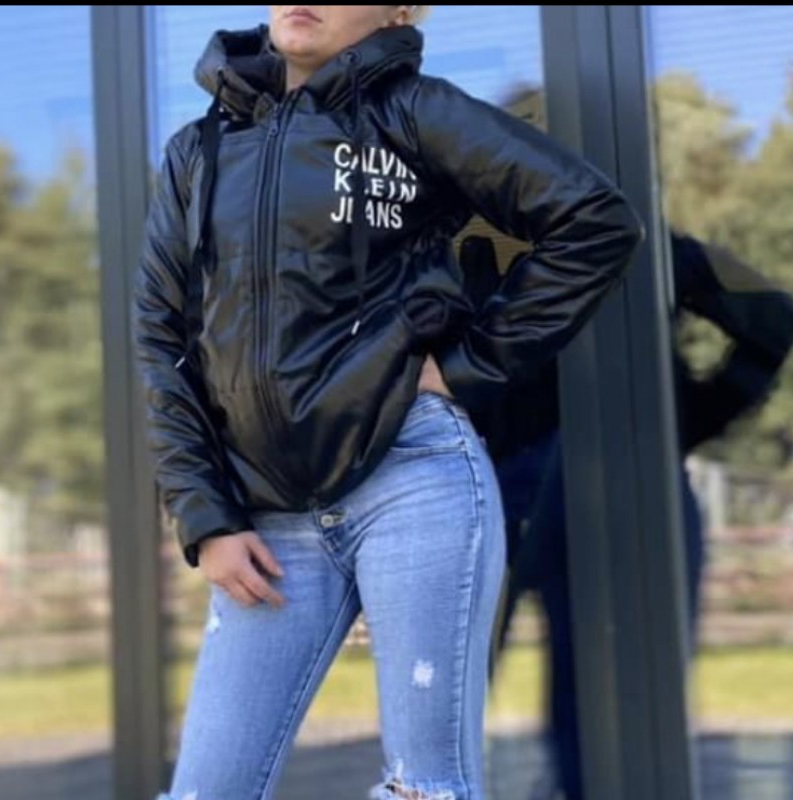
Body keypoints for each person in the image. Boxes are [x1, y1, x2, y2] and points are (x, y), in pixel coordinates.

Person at [133, 6, 643, 798]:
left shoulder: (416, 112)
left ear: (399, 11)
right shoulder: (197, 151)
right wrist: (206, 516)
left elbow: (593, 220)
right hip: (263, 521)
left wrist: (468, 366)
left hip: (411, 479)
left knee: (423, 788)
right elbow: (159, 336)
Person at [477, 229, 793, 800]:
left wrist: (684, 421)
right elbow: (774, 316)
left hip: (503, 475)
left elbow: (775, 315)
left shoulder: (473, 238)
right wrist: (680, 423)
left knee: (445, 708)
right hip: (616, 472)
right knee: (611, 725)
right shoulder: (642, 237)